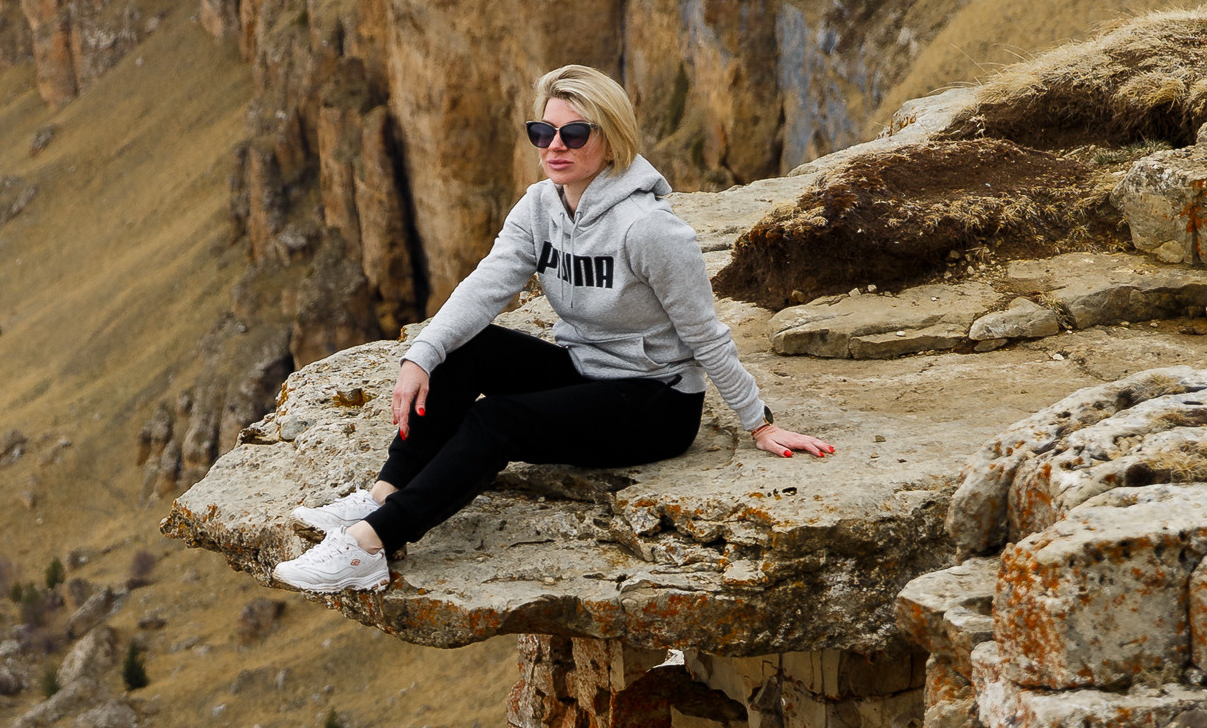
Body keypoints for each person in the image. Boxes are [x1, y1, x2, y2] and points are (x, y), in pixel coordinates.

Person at [273, 63, 831, 594]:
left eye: (574, 133)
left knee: (495, 421)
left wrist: (759, 424)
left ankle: (371, 544)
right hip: (583, 371)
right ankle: (382, 493)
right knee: (465, 348)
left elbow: (705, 334)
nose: (554, 146)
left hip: (655, 403)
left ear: (611, 139)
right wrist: (421, 355)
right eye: (543, 132)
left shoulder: (651, 230)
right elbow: (487, 285)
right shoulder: (540, 206)